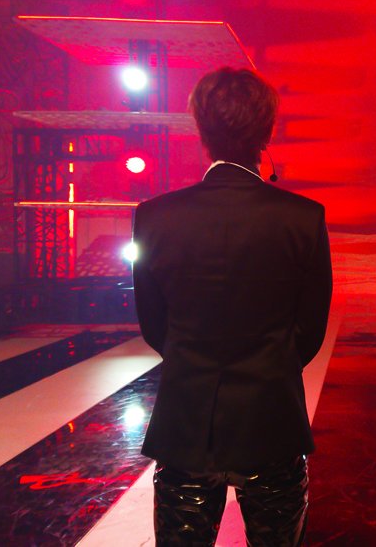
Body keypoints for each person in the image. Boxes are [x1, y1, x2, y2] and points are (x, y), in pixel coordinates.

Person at [131, 66, 333, 546]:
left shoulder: (155, 216)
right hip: (272, 418)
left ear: (201, 131)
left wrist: (194, 358)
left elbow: (154, 324)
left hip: (186, 420)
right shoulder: (302, 217)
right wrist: (270, 364)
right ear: (267, 132)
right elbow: (310, 329)